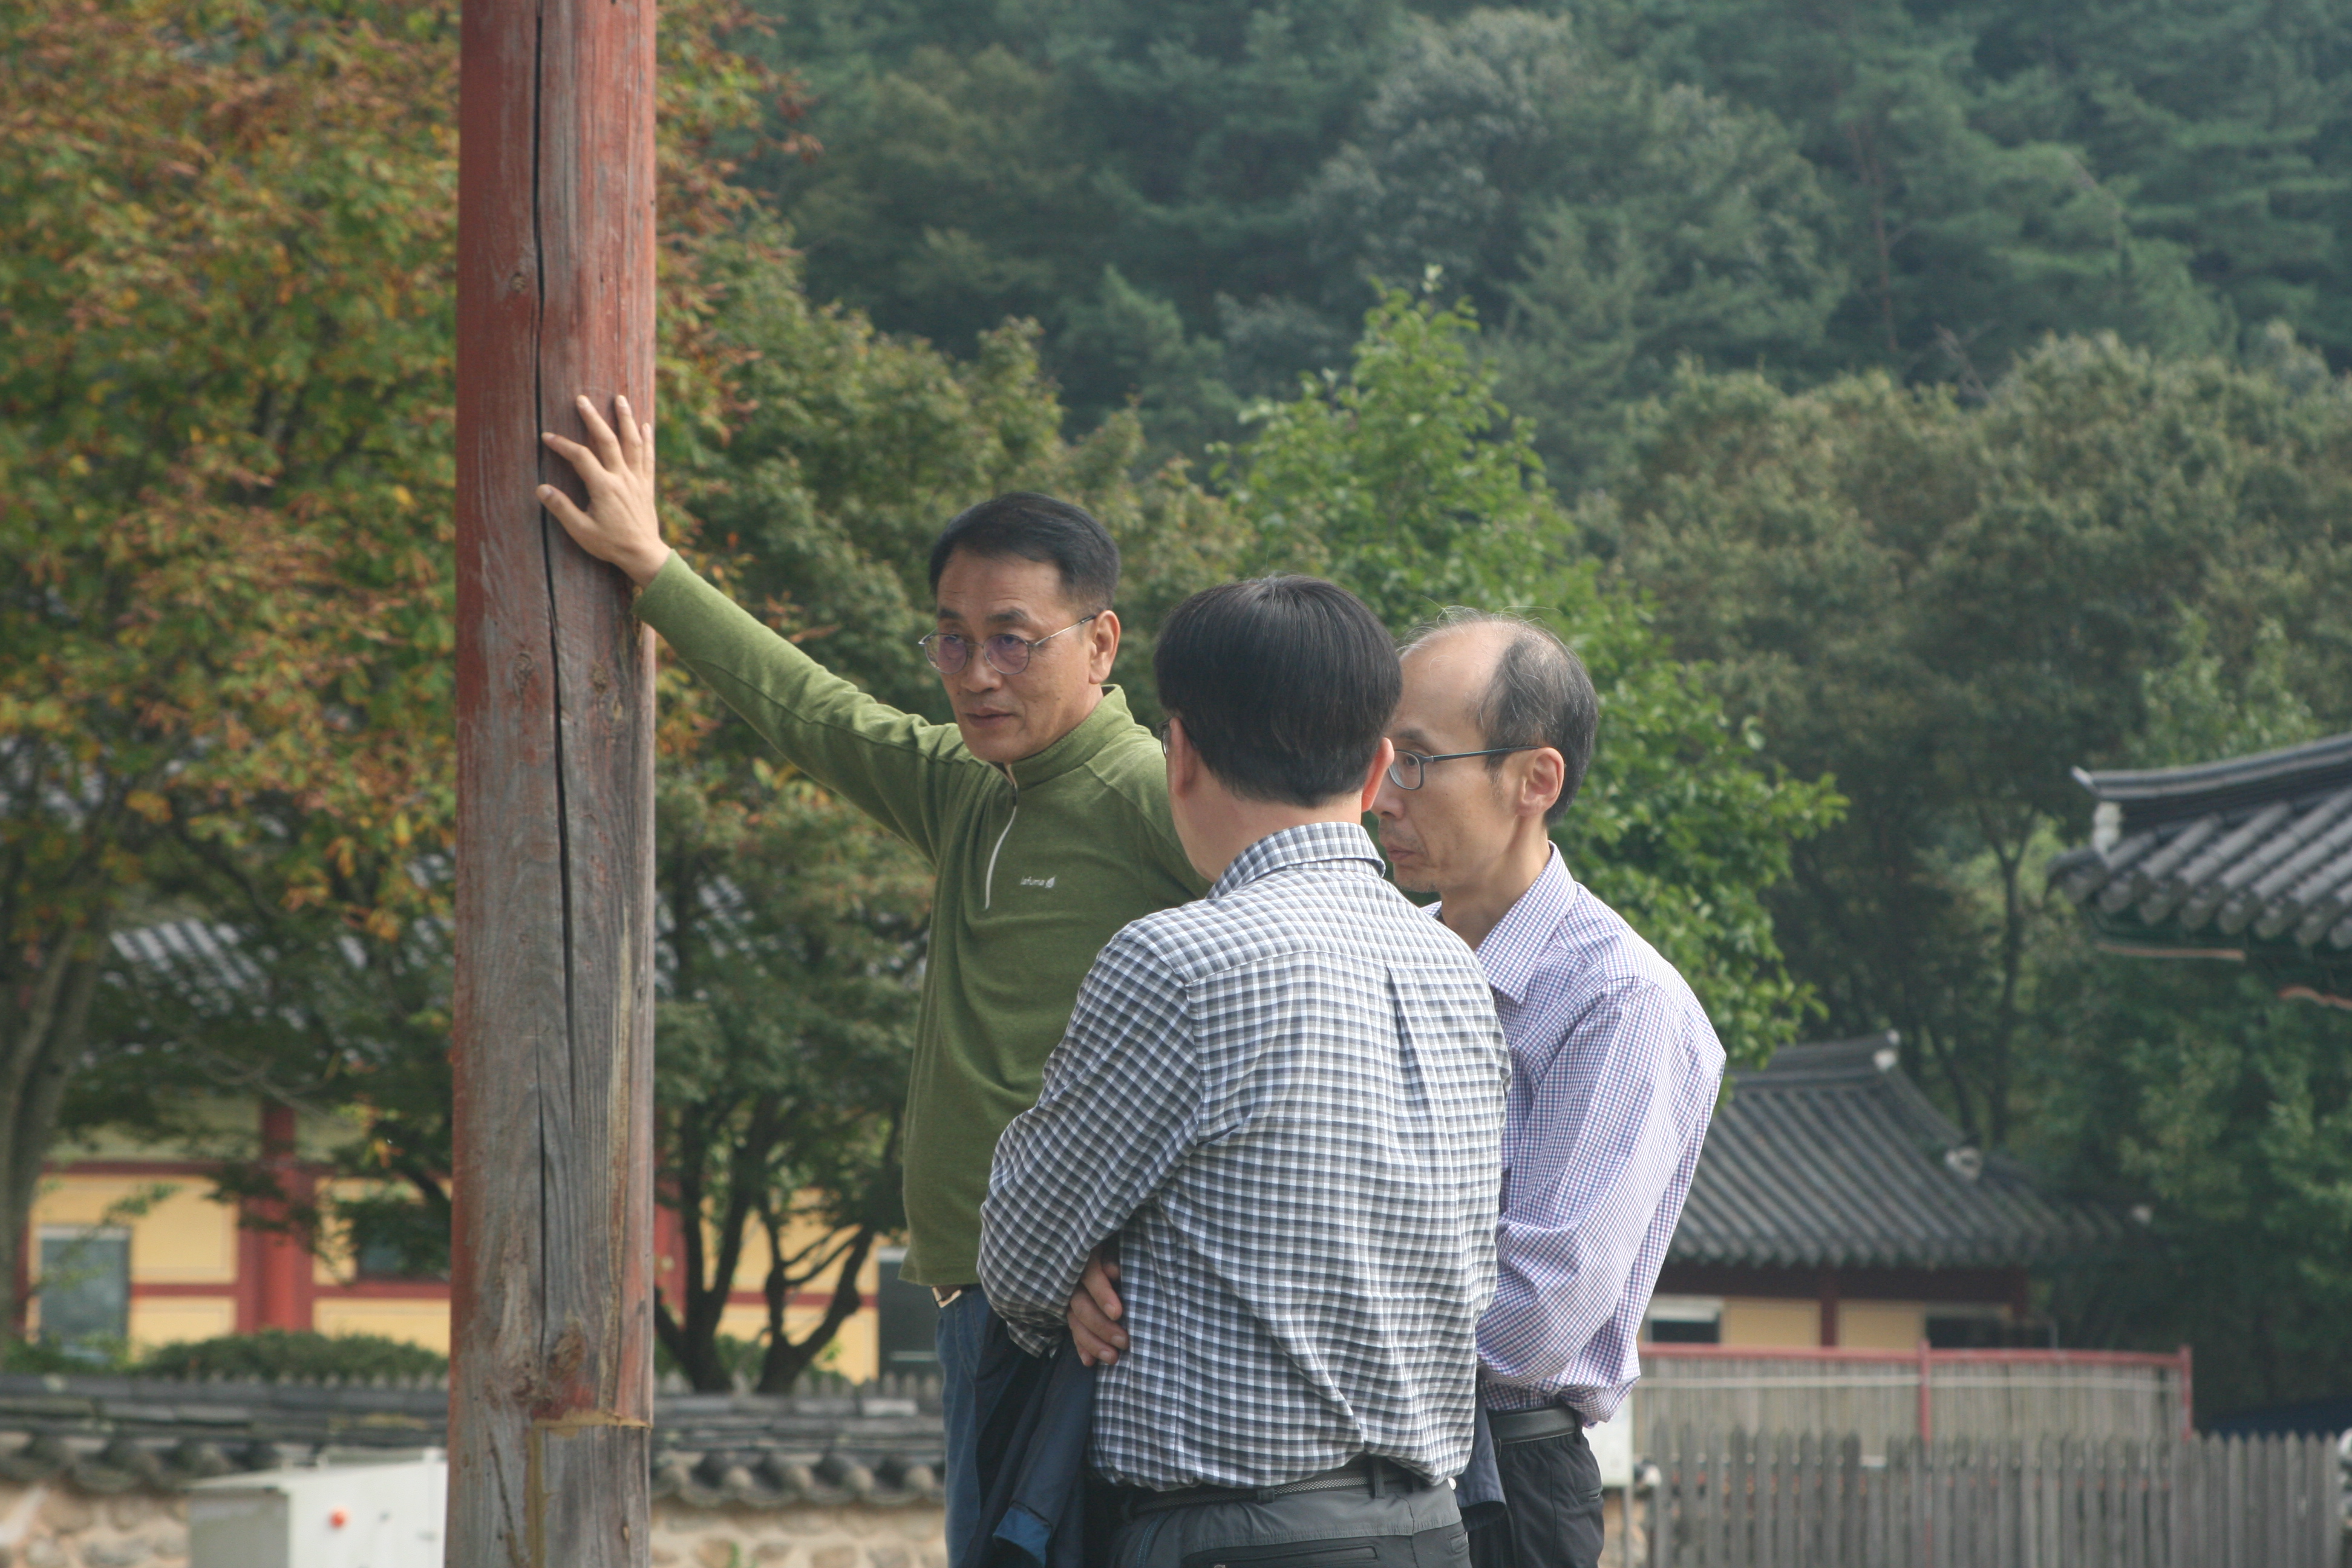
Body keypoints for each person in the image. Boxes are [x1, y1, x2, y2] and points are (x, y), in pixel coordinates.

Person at [534, 396, 1206, 1559]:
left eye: (1013, 638)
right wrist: (651, 566)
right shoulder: (964, 786)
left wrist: (1165, 1245)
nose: (977, 673)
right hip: (972, 1297)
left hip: (1096, 1318)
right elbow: (814, 713)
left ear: (1099, 643)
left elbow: (1285, 1008)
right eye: (951, 638)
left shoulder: (1155, 796)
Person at [979, 577, 1511, 1568]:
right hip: (1431, 1530)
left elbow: (1017, 1260)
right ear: (1377, 770)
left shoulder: (1176, 962)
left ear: (1179, 755)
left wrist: (1088, 1275)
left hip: (1236, 1538)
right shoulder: (1458, 967)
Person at [1373, 610, 1723, 1568]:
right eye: (1375, 758)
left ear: (1535, 779)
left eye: (1415, 761)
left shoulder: (1619, 1000)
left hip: (1507, 1483)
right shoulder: (1387, 958)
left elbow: (1531, 1317)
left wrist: (1314, 1310)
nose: (1382, 796)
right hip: (1363, 1462)